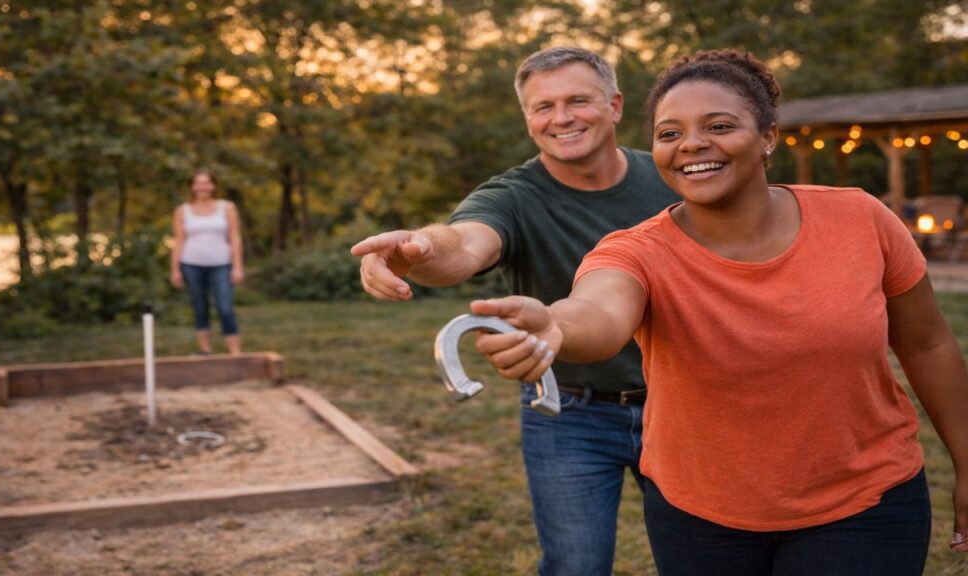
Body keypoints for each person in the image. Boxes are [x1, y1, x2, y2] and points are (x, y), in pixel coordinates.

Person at [471, 49, 968, 575]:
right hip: (700, 517)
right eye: (669, 133)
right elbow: (598, 312)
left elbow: (927, 343)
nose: (692, 144)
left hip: (865, 506)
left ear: (768, 136)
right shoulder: (634, 250)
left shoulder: (859, 218)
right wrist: (555, 327)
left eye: (719, 125)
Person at [351, 46, 678, 575]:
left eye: (578, 100)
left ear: (615, 105)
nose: (561, 118)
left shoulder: (670, 179)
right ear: (528, 119)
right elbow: (464, 245)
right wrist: (420, 250)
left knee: (707, 560)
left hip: (682, 405)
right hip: (567, 411)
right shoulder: (512, 196)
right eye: (542, 107)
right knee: (574, 565)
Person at [170, 168, 245, 355]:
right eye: (198, 183)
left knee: (225, 307)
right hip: (191, 263)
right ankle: (205, 350)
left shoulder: (227, 207)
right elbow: (178, 240)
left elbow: (235, 237)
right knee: (200, 306)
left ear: (213, 186)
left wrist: (237, 266)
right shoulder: (182, 211)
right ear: (192, 187)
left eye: (206, 182)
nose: (202, 187)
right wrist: (175, 269)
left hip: (221, 263)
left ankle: (235, 352)